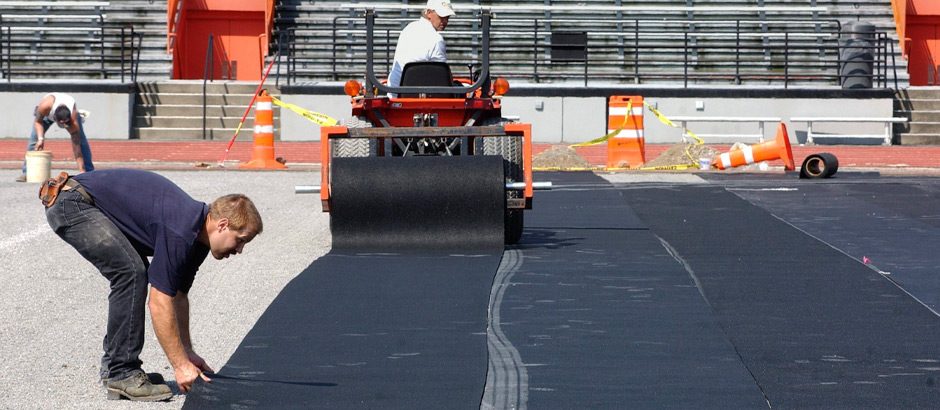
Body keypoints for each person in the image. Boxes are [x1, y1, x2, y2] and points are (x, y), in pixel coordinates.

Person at [43, 169, 263, 401]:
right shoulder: (180, 230)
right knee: (131, 272)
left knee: (133, 270)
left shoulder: (197, 238)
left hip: (82, 201)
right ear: (222, 225)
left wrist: (187, 353)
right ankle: (121, 373)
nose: (239, 250)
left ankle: (114, 368)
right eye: (240, 240)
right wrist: (179, 366)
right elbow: (159, 301)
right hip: (73, 203)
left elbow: (177, 294)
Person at [16, 92, 95, 182]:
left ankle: (88, 173)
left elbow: (76, 146)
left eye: (66, 123)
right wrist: (40, 139)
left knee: (81, 142)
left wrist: (81, 170)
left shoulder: (73, 119)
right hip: (46, 115)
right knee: (34, 141)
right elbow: (38, 122)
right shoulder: (44, 107)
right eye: (62, 123)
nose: (64, 126)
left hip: (69, 115)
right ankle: (27, 173)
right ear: (55, 118)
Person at [387, 0, 456, 95]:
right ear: (429, 13)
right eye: (441, 17)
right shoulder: (436, 39)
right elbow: (442, 78)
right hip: (415, 97)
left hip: (394, 93)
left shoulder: (408, 28)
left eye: (447, 17)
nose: (445, 21)